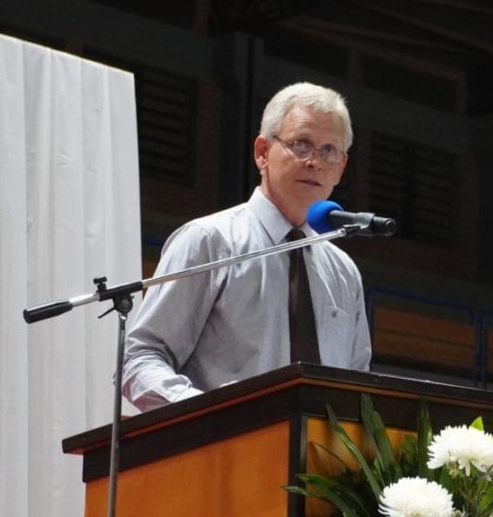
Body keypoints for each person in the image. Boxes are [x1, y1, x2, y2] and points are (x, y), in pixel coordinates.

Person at [122, 82, 372, 412]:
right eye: (301, 144)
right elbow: (140, 360)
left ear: (341, 168)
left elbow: (356, 385)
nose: (315, 162)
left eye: (329, 151)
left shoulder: (343, 271)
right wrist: (213, 416)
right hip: (222, 451)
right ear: (262, 152)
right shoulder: (209, 241)